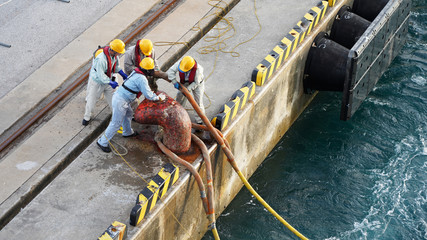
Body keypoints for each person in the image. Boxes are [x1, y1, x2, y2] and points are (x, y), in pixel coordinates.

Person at [97, 57, 166, 153]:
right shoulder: (142, 78)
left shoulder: (136, 72)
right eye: (151, 70)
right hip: (121, 101)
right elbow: (148, 95)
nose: (152, 71)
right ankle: (102, 142)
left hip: (121, 98)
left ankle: (127, 132)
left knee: (129, 113)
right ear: (147, 70)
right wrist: (158, 98)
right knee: (116, 123)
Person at [82, 39, 128, 126]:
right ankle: (87, 117)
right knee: (91, 100)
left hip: (108, 80)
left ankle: (116, 117)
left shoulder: (115, 56)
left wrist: (122, 74)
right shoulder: (101, 59)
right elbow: (101, 75)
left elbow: (116, 66)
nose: (120, 54)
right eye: (119, 52)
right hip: (97, 82)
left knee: (114, 101)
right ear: (113, 51)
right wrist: (111, 83)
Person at [167, 56, 205, 125]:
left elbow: (196, 83)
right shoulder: (182, 63)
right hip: (185, 82)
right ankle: (178, 114)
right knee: (179, 97)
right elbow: (171, 71)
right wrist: (174, 81)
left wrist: (188, 90)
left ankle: (199, 121)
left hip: (197, 83)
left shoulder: (198, 70)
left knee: (198, 102)